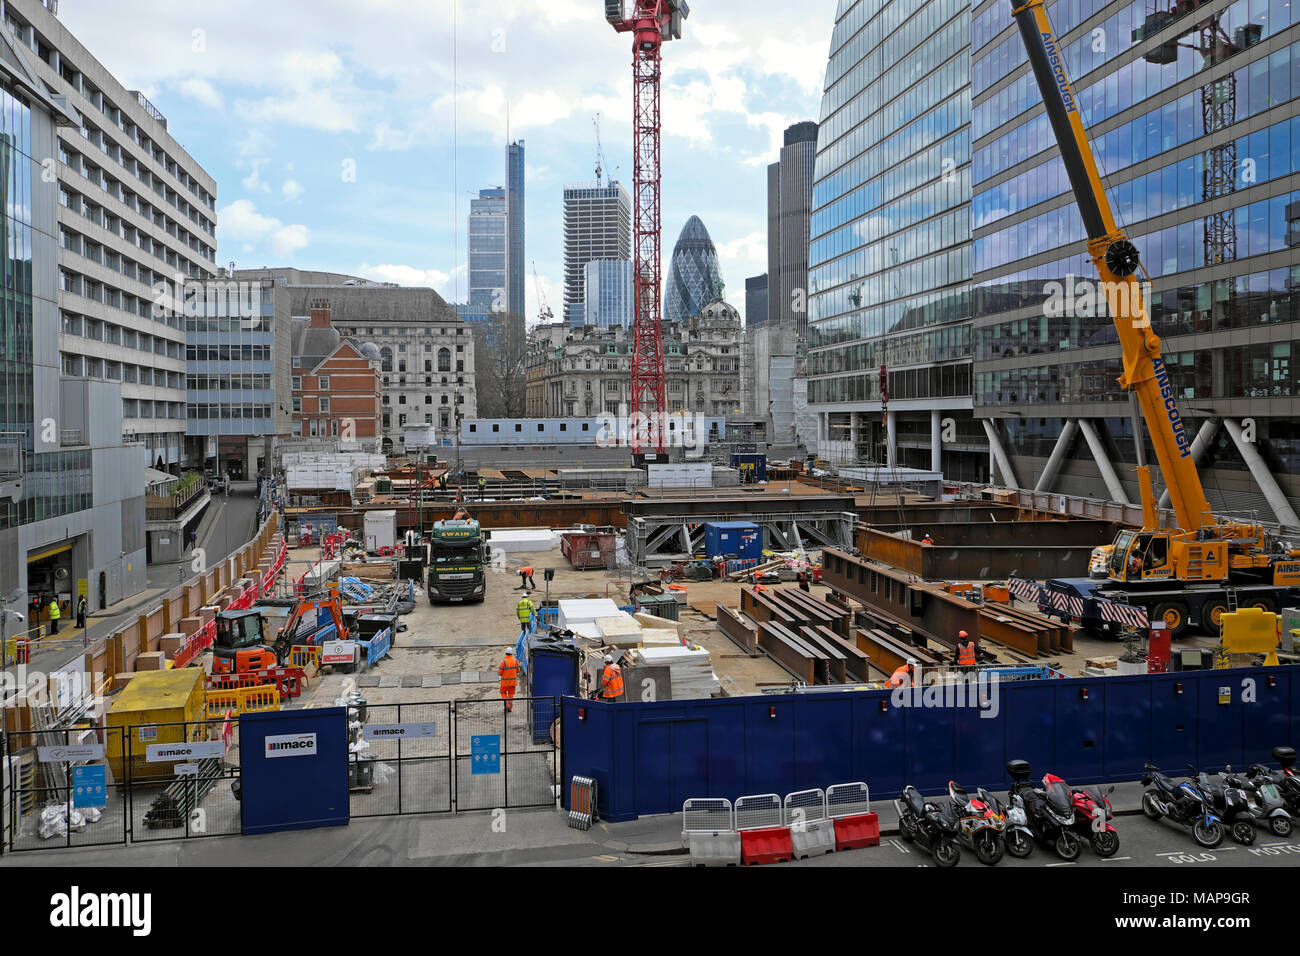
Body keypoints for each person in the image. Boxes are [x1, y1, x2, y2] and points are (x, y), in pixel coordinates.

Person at [498, 648, 520, 712]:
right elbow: (518, 670)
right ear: (511, 653)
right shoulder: (515, 661)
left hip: (505, 682)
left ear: (506, 653)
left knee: (502, 692)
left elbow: (499, 672)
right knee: (511, 695)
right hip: (513, 682)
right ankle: (510, 708)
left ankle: (507, 704)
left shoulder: (503, 662)